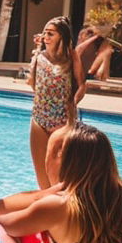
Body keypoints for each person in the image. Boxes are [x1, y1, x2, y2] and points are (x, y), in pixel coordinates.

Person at [28, 16, 85, 188]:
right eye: (45, 33)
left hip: (63, 121)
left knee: (62, 176)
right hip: (39, 118)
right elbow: (32, 83)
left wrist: (73, 103)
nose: (46, 37)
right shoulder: (39, 57)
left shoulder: (71, 56)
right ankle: (46, 209)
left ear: (61, 36)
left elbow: (82, 84)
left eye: (50, 34)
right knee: (41, 175)